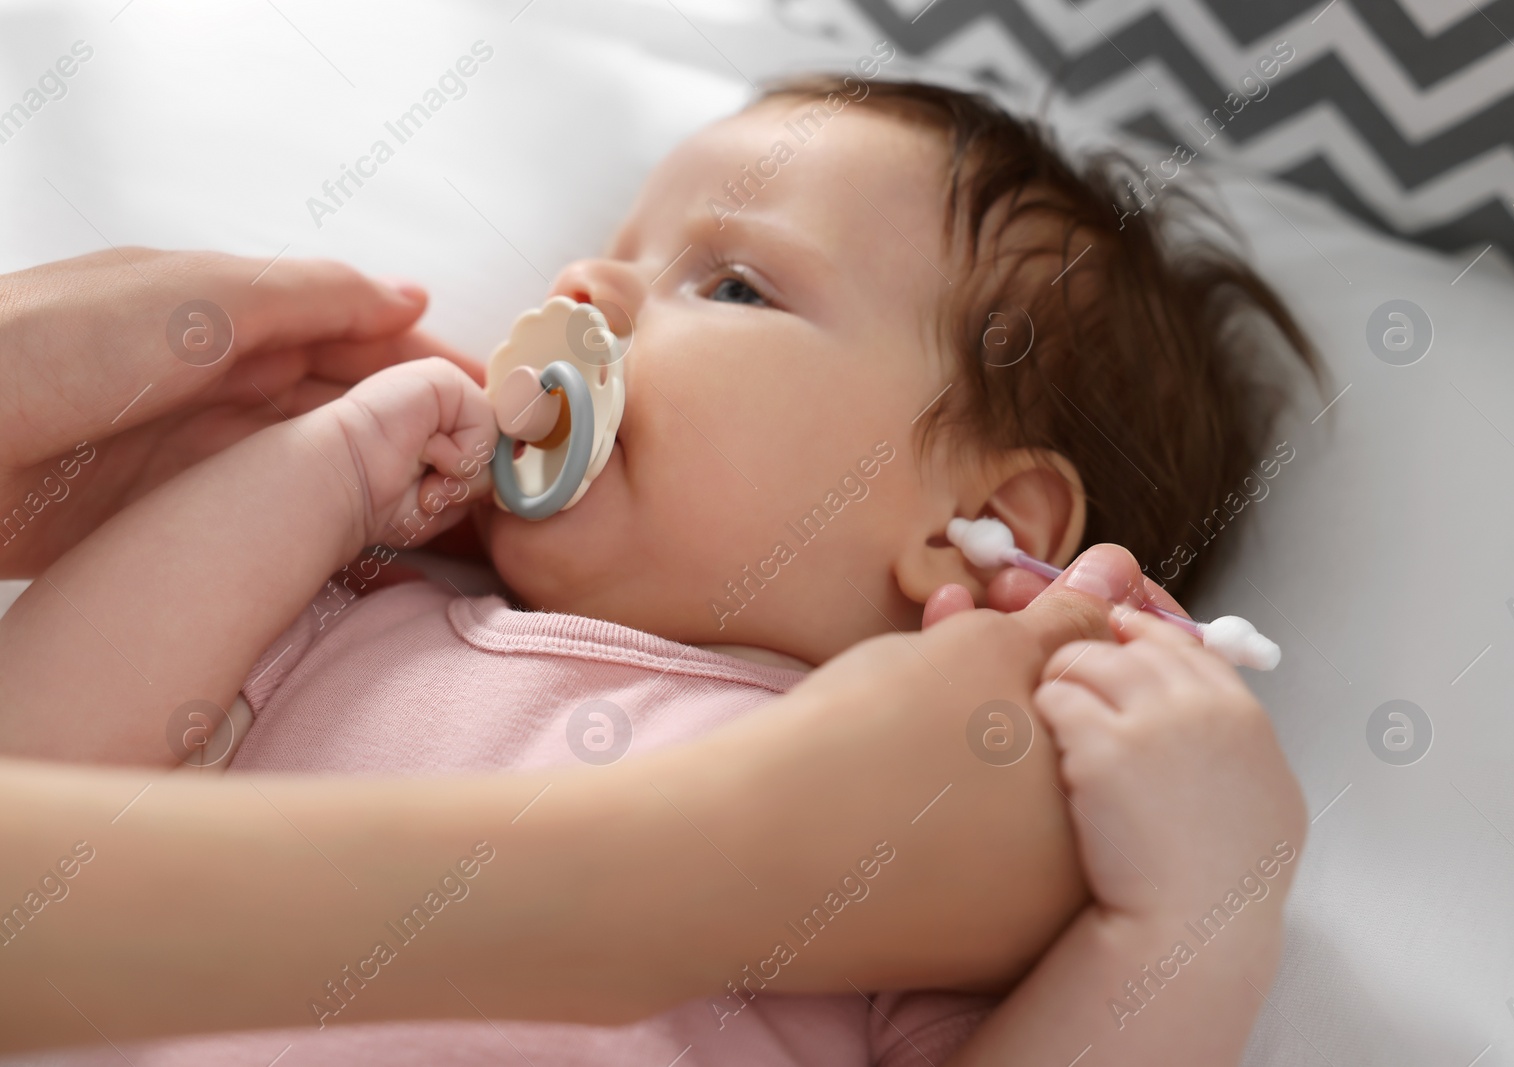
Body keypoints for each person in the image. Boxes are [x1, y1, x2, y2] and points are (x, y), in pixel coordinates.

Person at [3, 75, 1307, 1065]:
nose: (589, 286)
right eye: (617, 247)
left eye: (733, 284)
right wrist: (313, 477)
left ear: (977, 514)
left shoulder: (925, 829)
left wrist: (1187, 912)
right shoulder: (351, 610)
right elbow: (35, 754)